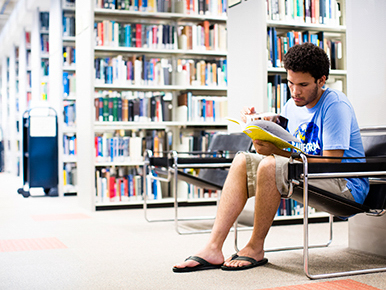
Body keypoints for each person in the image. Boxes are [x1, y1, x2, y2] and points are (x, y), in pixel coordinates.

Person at [172, 42, 369, 272]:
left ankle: (255, 247)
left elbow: (329, 163)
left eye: (303, 85)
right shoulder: (290, 106)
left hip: (346, 186)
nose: (295, 92)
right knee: (242, 160)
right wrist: (260, 132)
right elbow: (290, 149)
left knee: (270, 165)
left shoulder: (335, 104)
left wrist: (279, 153)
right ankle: (213, 247)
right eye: (290, 83)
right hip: (307, 174)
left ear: (321, 80)